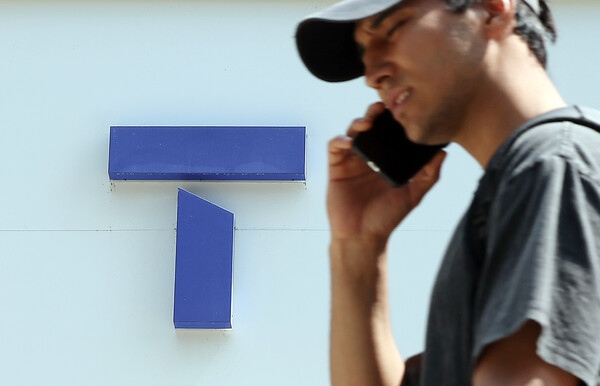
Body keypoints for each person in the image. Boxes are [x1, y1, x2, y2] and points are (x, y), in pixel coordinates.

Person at [295, 0, 600, 385]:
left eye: (391, 29)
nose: (372, 74)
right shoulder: (529, 176)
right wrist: (358, 245)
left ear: (492, 10)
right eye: (362, 53)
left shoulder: (553, 163)